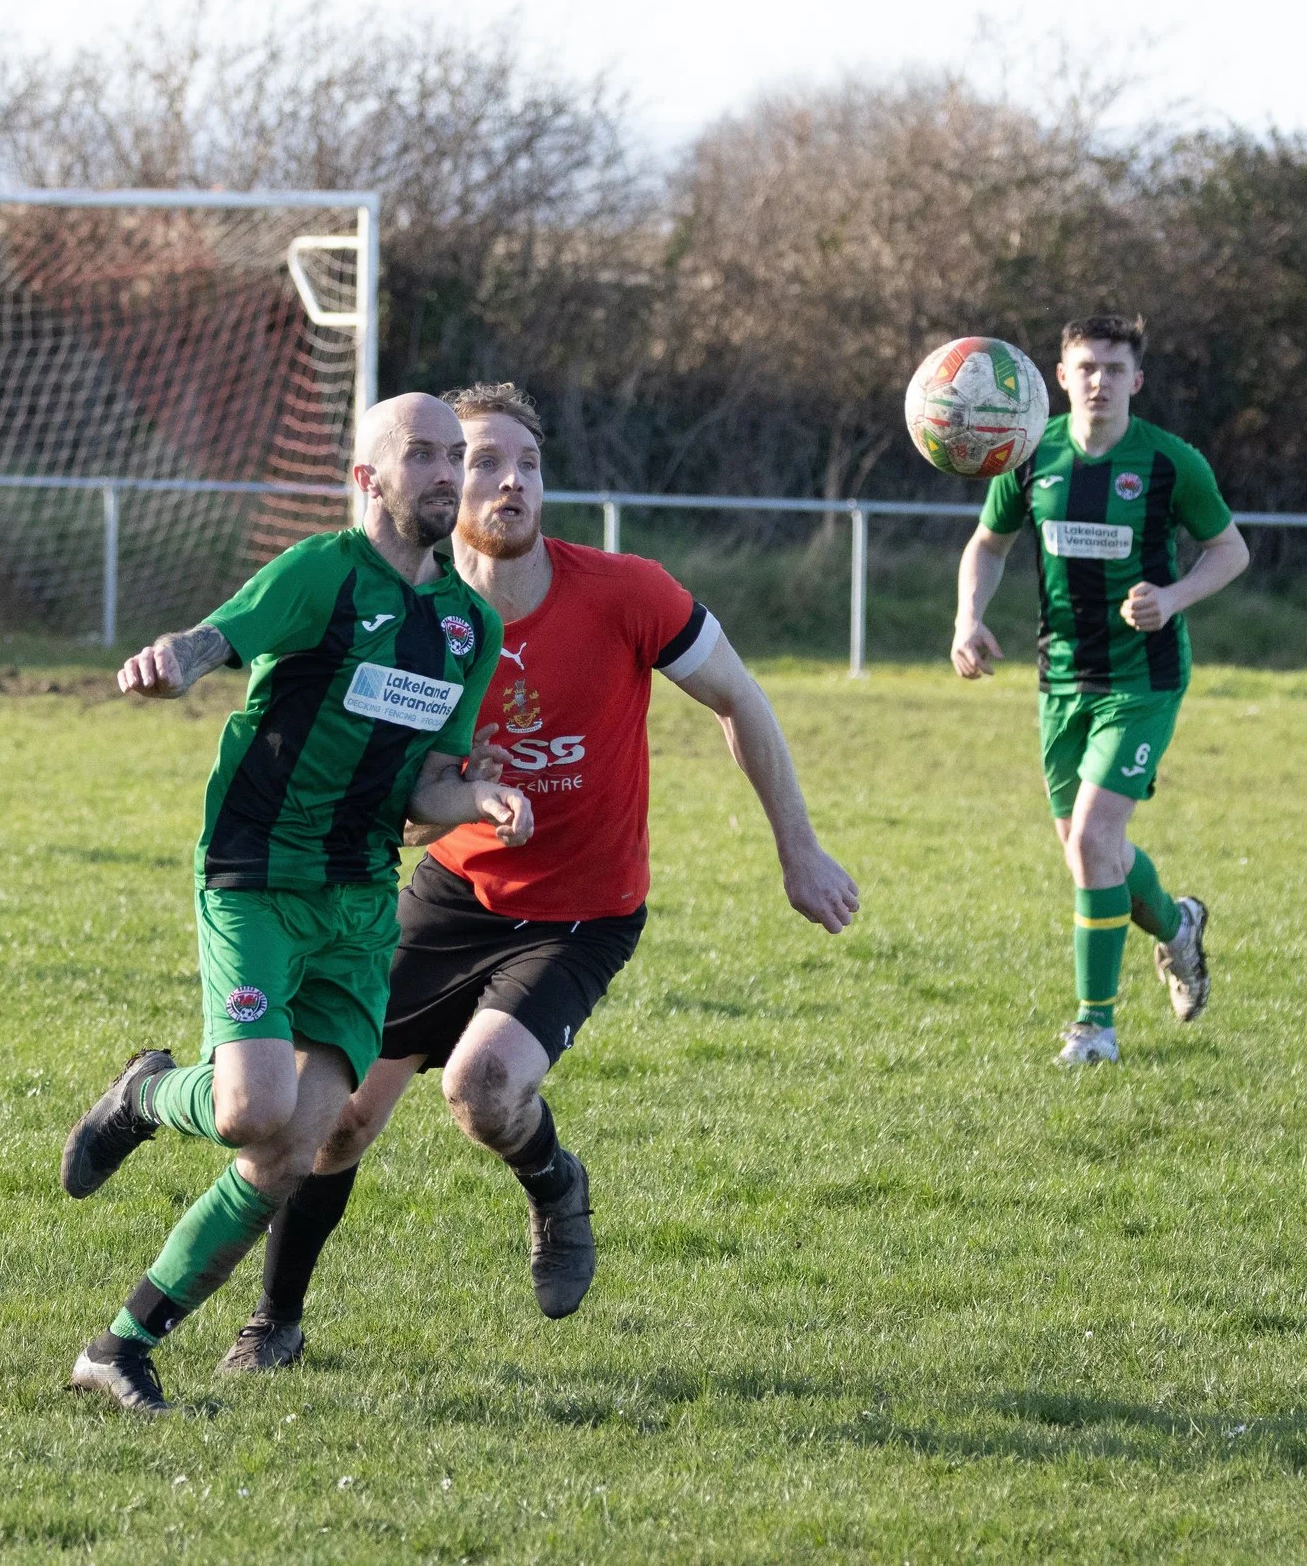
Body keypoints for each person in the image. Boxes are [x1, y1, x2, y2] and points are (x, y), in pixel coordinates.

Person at [216, 382, 863, 1375]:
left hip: (578, 913)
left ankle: (554, 1183)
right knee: (334, 1121)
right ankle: (275, 1322)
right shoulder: (409, 618)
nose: (509, 480)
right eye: (480, 461)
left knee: (483, 1091)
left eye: (528, 462)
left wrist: (799, 849)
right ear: (435, 478)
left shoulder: (628, 593)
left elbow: (740, 698)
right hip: (446, 893)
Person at [57, 393, 531, 1415]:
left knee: (291, 1150)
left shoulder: (467, 624)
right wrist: (171, 663)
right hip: (258, 875)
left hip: (360, 899)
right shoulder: (321, 572)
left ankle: (123, 1343)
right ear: (367, 478)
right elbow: (214, 637)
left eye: (457, 454)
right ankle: (145, 1094)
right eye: (422, 455)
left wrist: (477, 797)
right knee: (249, 1110)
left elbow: (420, 786)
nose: (449, 473)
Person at [952, 314, 1250, 1066]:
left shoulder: (1169, 463)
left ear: (1136, 381)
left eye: (1115, 369)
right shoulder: (1030, 453)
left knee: (1092, 842)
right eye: (1086, 367)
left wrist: (1174, 598)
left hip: (1142, 680)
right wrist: (969, 618)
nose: (1099, 381)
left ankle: (1095, 1028)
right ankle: (1179, 928)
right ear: (1060, 375)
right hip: (1060, 680)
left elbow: (1230, 549)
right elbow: (988, 544)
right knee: (1094, 854)